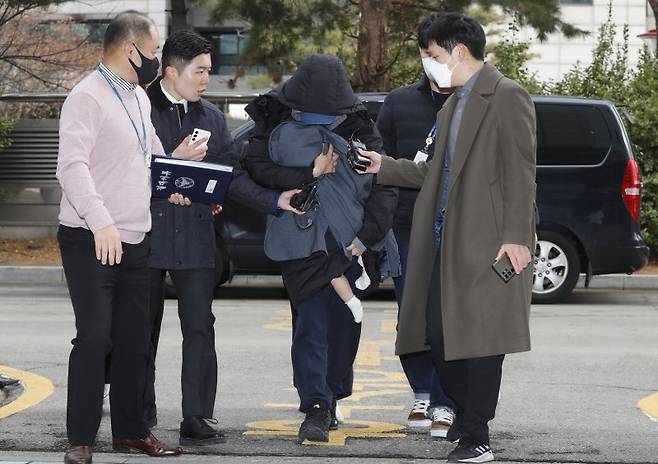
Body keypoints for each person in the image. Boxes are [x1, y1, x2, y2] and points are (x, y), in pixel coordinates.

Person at [359, 13, 536, 463]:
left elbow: (521, 172)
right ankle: (466, 419)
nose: (429, 66)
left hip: (487, 242)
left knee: (480, 343)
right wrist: (385, 166)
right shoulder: (454, 104)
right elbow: (432, 171)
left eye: (432, 56)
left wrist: (517, 235)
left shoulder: (507, 96)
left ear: (458, 51)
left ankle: (476, 435)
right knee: (438, 335)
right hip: (444, 241)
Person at [56, 11, 203, 464]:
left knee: (135, 339)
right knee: (96, 336)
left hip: (137, 239)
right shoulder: (86, 96)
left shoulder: (138, 96)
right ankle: (80, 438)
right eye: (154, 52)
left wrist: (180, 181)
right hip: (91, 237)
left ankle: (131, 432)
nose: (157, 62)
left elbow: (151, 159)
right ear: (129, 49)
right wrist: (101, 222)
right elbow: (72, 167)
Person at [144, 30, 301, 446]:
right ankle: (138, 416)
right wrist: (166, 167)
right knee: (142, 329)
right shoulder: (138, 108)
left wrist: (275, 200)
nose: (205, 80)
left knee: (200, 327)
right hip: (146, 236)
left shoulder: (211, 118)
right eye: (199, 72)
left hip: (197, 239)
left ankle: (197, 416)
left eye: (208, 72)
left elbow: (231, 177)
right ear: (171, 71)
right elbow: (122, 171)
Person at [242, 54, 399, 443]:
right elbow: (257, 168)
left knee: (345, 322)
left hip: (350, 242)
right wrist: (305, 173)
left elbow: (383, 187)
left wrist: (366, 238)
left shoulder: (362, 127)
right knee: (311, 323)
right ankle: (315, 404)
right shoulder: (274, 121)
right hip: (300, 240)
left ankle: (332, 393)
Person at [375, 12, 457, 437]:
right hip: (408, 228)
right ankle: (422, 392)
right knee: (412, 317)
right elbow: (382, 166)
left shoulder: (470, 102)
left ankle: (446, 402)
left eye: (436, 53)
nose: (430, 61)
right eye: (425, 53)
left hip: (458, 231)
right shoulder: (399, 103)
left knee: (448, 318)